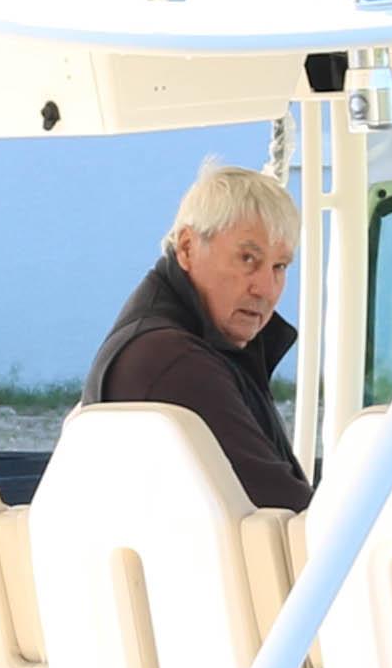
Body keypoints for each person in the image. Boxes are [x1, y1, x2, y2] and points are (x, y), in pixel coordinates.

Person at [86, 163, 309, 511]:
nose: (266, 289)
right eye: (247, 258)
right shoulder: (172, 361)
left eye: (279, 267)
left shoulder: (190, 345)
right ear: (187, 248)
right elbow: (287, 512)